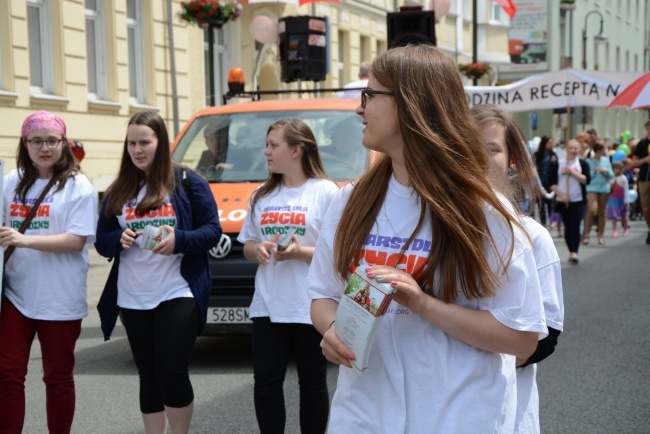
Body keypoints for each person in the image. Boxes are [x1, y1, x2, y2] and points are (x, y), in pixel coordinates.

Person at [308, 45, 546, 432]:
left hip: (457, 415)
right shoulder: (350, 201)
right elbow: (322, 295)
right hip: (363, 413)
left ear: (411, 104)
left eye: (369, 95)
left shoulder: (486, 212)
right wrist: (332, 329)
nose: (359, 107)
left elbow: (522, 341)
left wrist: (423, 304)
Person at [95, 111, 221, 434]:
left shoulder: (187, 182)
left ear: (160, 142)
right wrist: (117, 240)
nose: (137, 150)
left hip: (177, 291)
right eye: (132, 143)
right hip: (133, 296)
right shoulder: (119, 190)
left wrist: (180, 240)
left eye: (144, 142)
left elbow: (212, 232)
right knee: (148, 373)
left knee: (171, 369)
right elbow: (102, 241)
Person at [0, 110, 98, 434]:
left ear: (63, 143)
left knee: (57, 376)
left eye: (52, 140)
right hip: (16, 293)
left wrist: (24, 239)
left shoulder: (77, 185)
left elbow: (76, 241)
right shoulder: (10, 181)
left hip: (59, 296)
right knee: (8, 372)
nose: (45, 147)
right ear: (25, 143)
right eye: (37, 140)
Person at [238, 118, 338, 433]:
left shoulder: (325, 192)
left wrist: (299, 253)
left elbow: (338, 253)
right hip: (269, 304)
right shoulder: (261, 195)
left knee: (312, 382)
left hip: (312, 305)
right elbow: (248, 244)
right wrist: (258, 250)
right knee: (266, 382)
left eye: (273, 145)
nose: (266, 151)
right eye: (267, 145)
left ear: (296, 150)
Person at [471, 104, 564, 434]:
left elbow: (547, 336)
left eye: (492, 149)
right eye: (468, 146)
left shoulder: (533, 237)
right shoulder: (430, 228)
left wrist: (480, 366)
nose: (479, 157)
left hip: (506, 415)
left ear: (512, 162)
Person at [549, 140, 591, 264]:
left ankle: (575, 252)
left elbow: (586, 180)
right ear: (566, 149)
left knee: (575, 225)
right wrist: (562, 196)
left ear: (579, 150)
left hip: (578, 200)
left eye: (575, 148)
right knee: (567, 226)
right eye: (571, 148)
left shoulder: (582, 163)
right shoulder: (558, 164)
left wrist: (572, 172)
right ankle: (570, 250)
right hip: (564, 201)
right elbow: (551, 183)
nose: (573, 150)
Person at [583, 142, 614, 245]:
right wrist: (595, 171)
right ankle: (586, 234)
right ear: (597, 151)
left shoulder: (605, 160)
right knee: (592, 210)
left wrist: (606, 172)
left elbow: (611, 175)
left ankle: (601, 235)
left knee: (602, 212)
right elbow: (586, 177)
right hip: (592, 187)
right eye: (601, 150)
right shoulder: (588, 161)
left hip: (604, 188)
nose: (603, 152)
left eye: (604, 150)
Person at [631, 120, 650, 243]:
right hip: (645, 178)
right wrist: (646, 160)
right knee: (646, 209)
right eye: (648, 129)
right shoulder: (642, 144)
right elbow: (634, 162)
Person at [534, 135, 558, 227]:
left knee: (550, 202)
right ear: (544, 143)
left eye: (553, 142)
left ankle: (552, 221)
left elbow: (556, 169)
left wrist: (554, 162)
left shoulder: (553, 155)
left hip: (550, 182)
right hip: (539, 182)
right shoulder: (537, 154)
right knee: (541, 204)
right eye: (549, 142)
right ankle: (543, 223)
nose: (552, 144)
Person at [607, 161, 630, 238]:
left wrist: (626, 200)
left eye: (618, 169)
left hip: (621, 199)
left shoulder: (623, 178)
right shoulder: (611, 178)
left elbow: (626, 190)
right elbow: (610, 188)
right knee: (614, 215)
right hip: (612, 198)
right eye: (614, 169)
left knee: (623, 215)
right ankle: (614, 230)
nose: (616, 170)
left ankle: (625, 228)